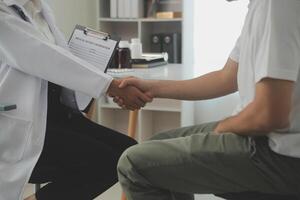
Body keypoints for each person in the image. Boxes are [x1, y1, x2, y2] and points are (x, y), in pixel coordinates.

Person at [115, 0, 300, 199]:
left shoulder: (275, 5)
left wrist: (223, 129)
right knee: (155, 146)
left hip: (280, 153)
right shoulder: (260, 6)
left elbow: (269, 115)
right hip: (265, 138)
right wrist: (152, 88)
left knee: (133, 164)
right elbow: (226, 77)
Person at [0, 0, 152, 200]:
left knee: (129, 153)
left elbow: (59, 54)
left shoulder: (38, 7)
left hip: (57, 118)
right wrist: (111, 86)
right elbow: (43, 56)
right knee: (110, 160)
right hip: (21, 131)